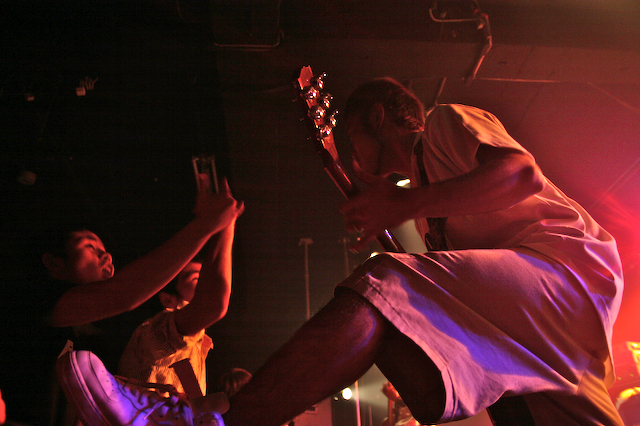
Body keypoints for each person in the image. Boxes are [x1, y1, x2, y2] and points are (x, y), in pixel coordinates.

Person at [55, 77, 624, 426]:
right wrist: (400, 206)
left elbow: (521, 175)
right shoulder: (429, 209)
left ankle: (212, 422)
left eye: (352, 138)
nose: (351, 155)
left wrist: (403, 203)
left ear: (376, 118)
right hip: (548, 324)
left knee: (389, 285)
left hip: (568, 270)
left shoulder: (444, 125)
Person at [7, 175, 243, 426]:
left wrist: (223, 222)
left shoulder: (110, 339)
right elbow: (125, 293)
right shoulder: (34, 303)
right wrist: (209, 223)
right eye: (89, 246)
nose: (106, 254)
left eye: (104, 248)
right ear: (54, 263)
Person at [117, 241, 232, 396]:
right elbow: (214, 306)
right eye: (197, 279)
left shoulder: (199, 344)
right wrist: (226, 229)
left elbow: (193, 402)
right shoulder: (155, 331)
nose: (207, 283)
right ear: (168, 300)